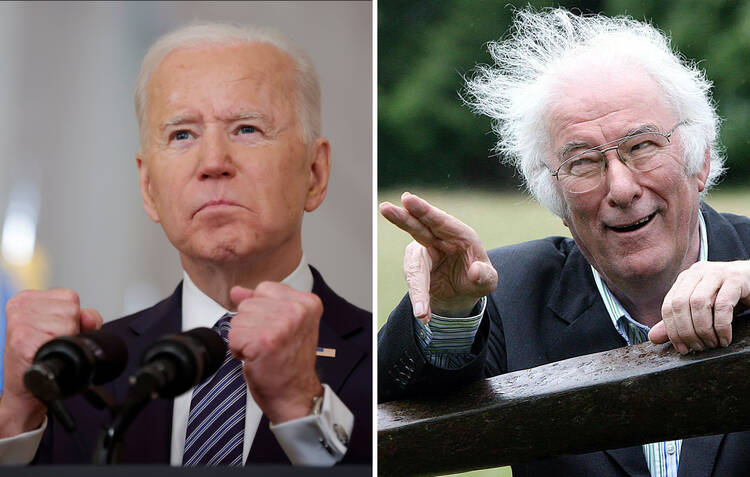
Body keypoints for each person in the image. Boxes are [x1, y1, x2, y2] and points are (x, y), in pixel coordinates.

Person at [379, 8, 750, 477]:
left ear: (699, 163)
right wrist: (450, 313)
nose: (620, 189)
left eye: (642, 147)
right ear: (555, 200)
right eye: (583, 163)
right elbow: (379, 410)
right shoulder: (510, 295)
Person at [0, 23, 371, 466]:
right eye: (182, 135)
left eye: (247, 129)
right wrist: (16, 413)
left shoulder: (384, 358)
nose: (214, 162)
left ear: (315, 172)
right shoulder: (82, 373)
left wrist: (301, 408)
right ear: (148, 186)